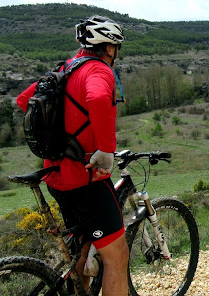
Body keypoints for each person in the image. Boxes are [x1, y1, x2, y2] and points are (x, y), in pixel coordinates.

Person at [16, 15, 128, 295]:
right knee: (117, 256)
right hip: (85, 180)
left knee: (81, 248)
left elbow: (23, 101)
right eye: (116, 48)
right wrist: (104, 150)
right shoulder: (99, 71)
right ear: (110, 48)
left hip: (56, 177)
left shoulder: (65, 69)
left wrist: (61, 134)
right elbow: (99, 99)